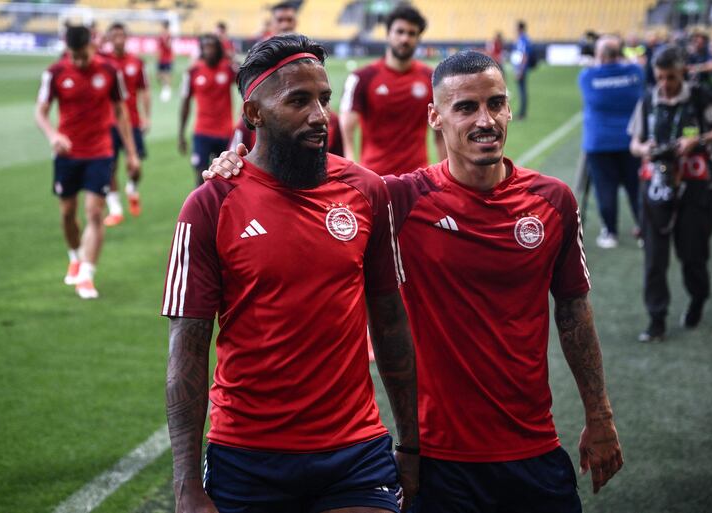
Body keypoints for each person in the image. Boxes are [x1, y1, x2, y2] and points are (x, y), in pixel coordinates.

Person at [208, 50, 624, 512]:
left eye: (496, 103)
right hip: (437, 461)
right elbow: (307, 183)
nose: (485, 120)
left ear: (509, 108)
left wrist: (600, 416)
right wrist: (239, 162)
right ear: (436, 118)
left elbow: (573, 312)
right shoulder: (398, 199)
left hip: (533, 449)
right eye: (466, 107)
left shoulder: (554, 201)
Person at [163, 34, 419, 513]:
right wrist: (186, 486)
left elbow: (390, 321)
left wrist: (410, 442)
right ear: (254, 113)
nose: (320, 115)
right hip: (246, 456)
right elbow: (187, 348)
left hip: (355, 452)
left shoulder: (366, 191)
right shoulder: (210, 205)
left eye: (323, 98)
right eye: (298, 101)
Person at [629, 45, 712, 342]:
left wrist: (698, 140)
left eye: (671, 77)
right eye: (660, 77)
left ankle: (698, 298)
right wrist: (644, 149)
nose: (665, 84)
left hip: (694, 186)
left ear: (683, 72)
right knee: (654, 257)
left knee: (693, 253)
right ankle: (656, 318)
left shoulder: (699, 96)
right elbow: (634, 143)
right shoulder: (648, 100)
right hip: (656, 186)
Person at [35, 24, 140, 299]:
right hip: (67, 154)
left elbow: (122, 113)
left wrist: (131, 153)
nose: (79, 61)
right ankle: (75, 256)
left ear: (92, 46)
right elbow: (41, 112)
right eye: (74, 55)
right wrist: (53, 135)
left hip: (100, 152)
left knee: (94, 213)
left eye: (83, 54)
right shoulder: (55, 73)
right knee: (68, 212)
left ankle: (87, 275)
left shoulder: (108, 72)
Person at [340, 4, 445, 176]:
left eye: (412, 33)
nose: (405, 39)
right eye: (400, 31)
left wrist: (443, 176)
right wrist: (353, 172)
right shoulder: (363, 78)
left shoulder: (431, 78)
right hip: (375, 178)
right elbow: (347, 129)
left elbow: (441, 134)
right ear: (388, 34)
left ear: (418, 38)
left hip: (417, 179)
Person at [578, 35, 644, 248]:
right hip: (631, 141)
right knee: (636, 188)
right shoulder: (635, 73)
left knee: (605, 189)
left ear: (600, 55)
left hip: (599, 142)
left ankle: (610, 232)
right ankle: (644, 229)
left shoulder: (588, 77)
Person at [104, 22, 150, 226]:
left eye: (121, 35)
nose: (118, 39)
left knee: (135, 165)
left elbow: (145, 90)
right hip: (108, 123)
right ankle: (115, 208)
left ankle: (131, 188)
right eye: (114, 35)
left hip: (132, 121)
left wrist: (146, 116)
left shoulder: (136, 62)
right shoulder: (102, 62)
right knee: (109, 167)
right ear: (109, 38)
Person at [178, 34, 237, 186]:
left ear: (219, 50)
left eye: (212, 47)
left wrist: (233, 59)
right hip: (202, 132)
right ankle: (202, 208)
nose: (209, 51)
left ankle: (222, 209)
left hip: (225, 132)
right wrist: (181, 134)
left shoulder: (228, 68)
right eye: (205, 47)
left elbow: (247, 79)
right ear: (201, 50)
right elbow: (185, 103)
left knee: (227, 177)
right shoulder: (192, 72)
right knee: (201, 174)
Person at [513, 20, 533, 120]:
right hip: (522, 68)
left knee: (522, 91)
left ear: (519, 28)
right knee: (522, 90)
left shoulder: (523, 39)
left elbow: (524, 55)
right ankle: (522, 112)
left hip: (521, 69)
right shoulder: (525, 39)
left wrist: (520, 70)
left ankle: (522, 113)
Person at [157, 20, 174, 102]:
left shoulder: (169, 35)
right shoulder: (161, 36)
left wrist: (165, 40)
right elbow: (159, 47)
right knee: (159, 75)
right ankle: (165, 88)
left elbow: (169, 46)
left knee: (167, 74)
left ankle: (167, 91)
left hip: (167, 58)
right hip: (161, 58)